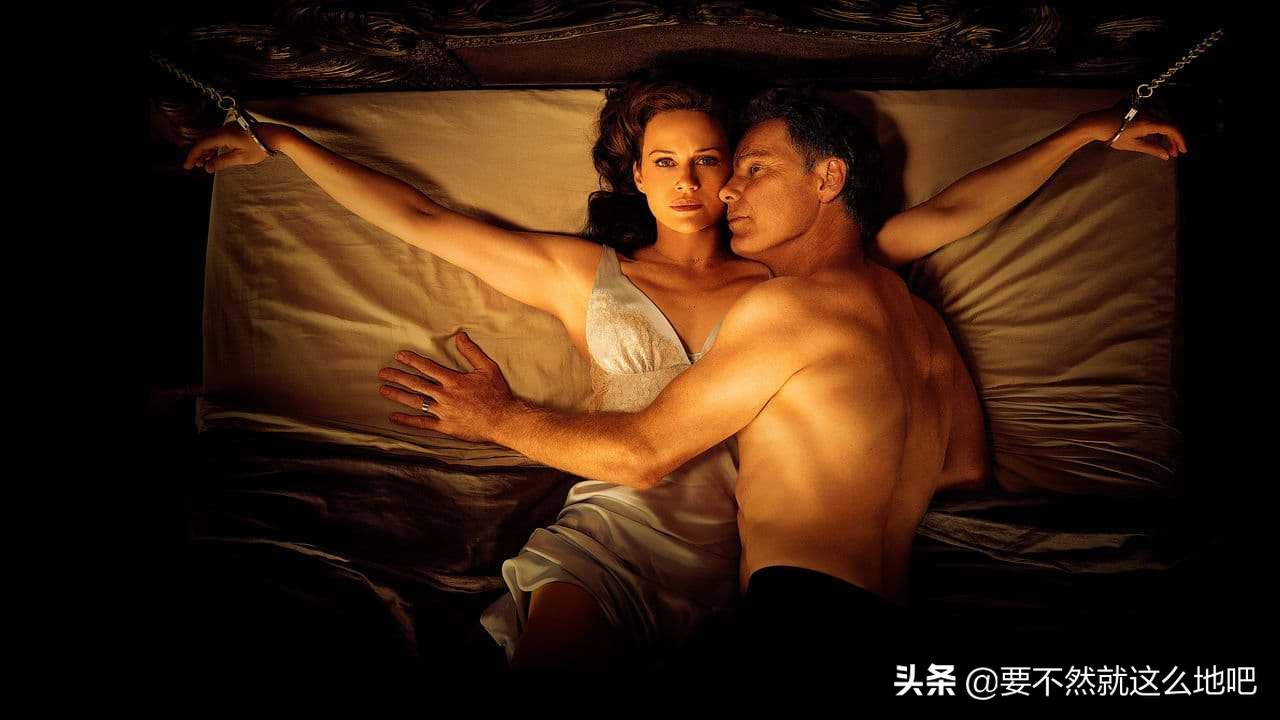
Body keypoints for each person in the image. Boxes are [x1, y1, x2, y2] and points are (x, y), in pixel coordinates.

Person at [377, 88, 1187, 675]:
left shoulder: (786, 305)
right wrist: (1081, 132)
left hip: (793, 611)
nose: (724, 189)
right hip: (893, 611)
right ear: (639, 178)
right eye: (677, 164)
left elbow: (644, 454)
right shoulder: (918, 320)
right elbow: (964, 475)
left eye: (745, 168)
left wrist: (497, 417)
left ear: (827, 180)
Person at [184, 70, 772, 668]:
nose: (686, 182)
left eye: (706, 160)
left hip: (746, 560)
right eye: (665, 162)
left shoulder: (782, 288)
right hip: (608, 540)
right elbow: (421, 219)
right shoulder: (586, 275)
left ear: (732, 170)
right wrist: (283, 141)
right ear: (639, 175)